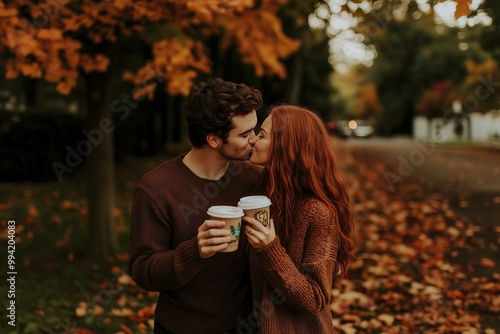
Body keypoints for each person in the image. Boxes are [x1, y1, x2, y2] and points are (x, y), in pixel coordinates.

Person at [128, 78, 263, 334]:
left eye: (254, 130)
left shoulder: (254, 178)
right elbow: (142, 270)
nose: (254, 140)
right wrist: (194, 251)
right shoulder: (157, 189)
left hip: (247, 325)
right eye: (245, 134)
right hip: (181, 327)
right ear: (213, 139)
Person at [243, 104, 356, 333]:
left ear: (286, 147)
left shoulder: (318, 213)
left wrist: (269, 249)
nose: (253, 140)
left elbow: (314, 299)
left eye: (262, 135)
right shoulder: (264, 192)